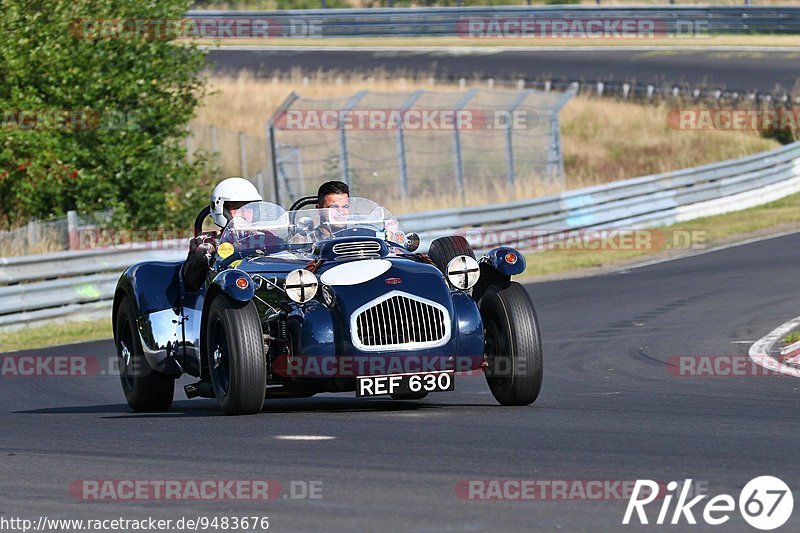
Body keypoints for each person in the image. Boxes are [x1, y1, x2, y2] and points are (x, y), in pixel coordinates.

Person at [182, 177, 262, 292]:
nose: (244, 214)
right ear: (222, 211)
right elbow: (190, 284)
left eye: (249, 208)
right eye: (238, 208)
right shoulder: (207, 243)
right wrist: (204, 257)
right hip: (223, 301)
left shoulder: (266, 238)